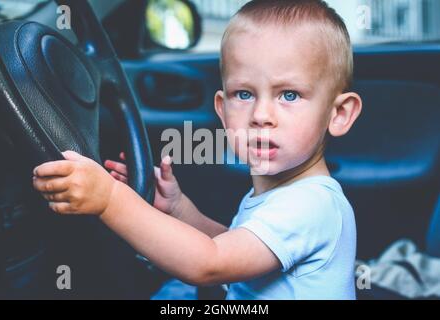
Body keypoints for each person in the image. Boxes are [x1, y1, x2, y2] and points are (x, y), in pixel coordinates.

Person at [32, 0, 362, 299]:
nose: (261, 116)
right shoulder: (285, 194)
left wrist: (110, 199)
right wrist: (179, 210)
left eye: (289, 95)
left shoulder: (310, 205)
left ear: (338, 114)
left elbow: (210, 264)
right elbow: (234, 247)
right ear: (221, 109)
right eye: (244, 94)